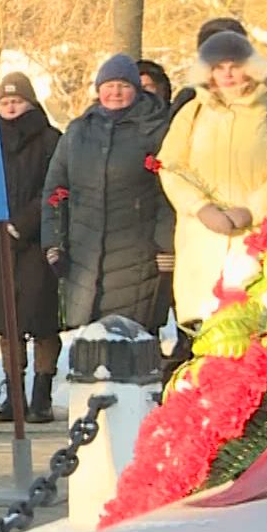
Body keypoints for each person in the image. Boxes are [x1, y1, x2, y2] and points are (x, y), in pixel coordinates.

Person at [157, 31, 267, 329]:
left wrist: (251, 209)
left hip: (253, 240)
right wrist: (200, 207)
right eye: (219, 67)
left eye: (234, 65)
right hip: (200, 241)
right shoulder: (192, 112)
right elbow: (169, 166)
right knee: (205, 336)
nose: (228, 74)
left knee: (251, 332)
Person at [41, 55, 174, 336]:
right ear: (99, 89)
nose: (115, 92)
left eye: (123, 85)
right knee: (88, 344)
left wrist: (165, 244)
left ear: (136, 89)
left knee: (129, 341)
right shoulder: (77, 132)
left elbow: (169, 191)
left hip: (137, 255)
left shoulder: (156, 129)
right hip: (83, 256)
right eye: (109, 85)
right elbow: (55, 190)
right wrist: (53, 240)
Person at [0, 75, 62, 423]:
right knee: (7, 325)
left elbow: (56, 188)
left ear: (30, 102)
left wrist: (23, 224)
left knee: (42, 323)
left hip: (38, 242)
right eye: (5, 102)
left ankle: (42, 394)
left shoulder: (51, 139)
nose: (10, 107)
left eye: (17, 101)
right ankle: (14, 394)